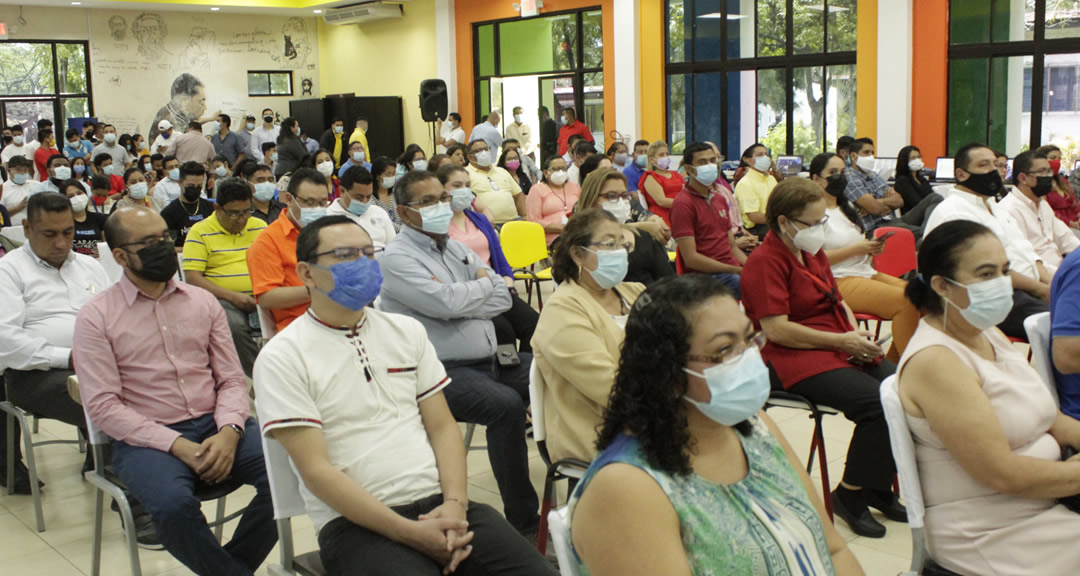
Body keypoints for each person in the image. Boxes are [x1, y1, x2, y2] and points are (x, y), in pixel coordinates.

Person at [253, 215, 557, 576]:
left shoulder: (405, 331)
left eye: (369, 253)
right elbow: (316, 471)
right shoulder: (283, 356)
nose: (363, 264)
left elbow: (444, 428)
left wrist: (456, 505)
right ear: (306, 273)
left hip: (441, 503)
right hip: (356, 524)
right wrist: (409, 533)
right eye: (346, 255)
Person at [569, 274, 865, 576]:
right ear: (668, 371)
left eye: (749, 339)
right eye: (725, 350)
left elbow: (832, 549)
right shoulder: (627, 488)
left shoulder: (754, 427)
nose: (749, 358)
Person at [73, 206, 277, 576]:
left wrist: (230, 431)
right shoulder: (95, 317)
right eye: (149, 242)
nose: (164, 247)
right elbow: (103, 407)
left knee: (290, 473)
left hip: (217, 423)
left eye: (166, 237)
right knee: (172, 506)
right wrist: (177, 445)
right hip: (147, 439)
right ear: (120, 256)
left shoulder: (202, 302)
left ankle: (230, 568)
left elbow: (231, 379)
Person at [898, 220, 1080, 576]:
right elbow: (1001, 474)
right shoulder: (936, 361)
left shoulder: (983, 332)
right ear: (941, 286)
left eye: (1004, 271)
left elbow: (1049, 417)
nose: (1000, 283)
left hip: (1041, 505)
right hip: (993, 530)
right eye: (985, 274)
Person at [379, 170, 542, 537]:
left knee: (556, 373)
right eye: (428, 201)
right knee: (505, 406)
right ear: (404, 213)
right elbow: (444, 303)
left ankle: (576, 472)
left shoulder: (456, 247)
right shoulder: (396, 258)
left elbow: (502, 295)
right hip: (441, 372)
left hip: (491, 359)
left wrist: (468, 295)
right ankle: (526, 524)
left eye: (442, 197)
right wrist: (476, 292)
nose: (441, 206)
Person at [741, 177, 903, 538]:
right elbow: (777, 330)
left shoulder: (810, 252)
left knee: (902, 392)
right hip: (787, 356)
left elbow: (836, 296)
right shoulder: (765, 261)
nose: (819, 230)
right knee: (876, 404)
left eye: (822, 222)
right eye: (813, 224)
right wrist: (841, 341)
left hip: (833, 340)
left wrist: (853, 333)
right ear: (783, 222)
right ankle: (849, 495)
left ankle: (876, 487)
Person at [0, 191, 108, 486]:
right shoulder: (8, 271)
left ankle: (111, 465)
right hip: (35, 374)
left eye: (67, 232)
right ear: (26, 229)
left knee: (154, 391)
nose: (61, 243)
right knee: (110, 405)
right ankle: (132, 500)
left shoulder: (90, 267)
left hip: (96, 364)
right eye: (49, 234)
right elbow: (5, 341)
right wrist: (69, 356)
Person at [532, 208, 646, 463]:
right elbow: (612, 388)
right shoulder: (563, 310)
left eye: (622, 244)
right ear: (577, 253)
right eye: (608, 244)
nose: (618, 251)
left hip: (648, 417)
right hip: (600, 437)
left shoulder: (635, 292)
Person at [925, 143, 1051, 340]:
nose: (993, 171)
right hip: (993, 295)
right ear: (961, 174)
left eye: (996, 164)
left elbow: (1025, 250)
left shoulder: (994, 206)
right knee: (1065, 326)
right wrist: (1041, 289)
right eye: (984, 165)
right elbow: (984, 272)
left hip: (1030, 287)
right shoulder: (955, 212)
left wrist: (1050, 282)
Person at [811, 152, 919, 363]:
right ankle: (909, 366)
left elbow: (855, 245)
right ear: (816, 179)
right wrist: (857, 249)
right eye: (832, 173)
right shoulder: (813, 212)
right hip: (835, 280)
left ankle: (895, 362)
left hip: (864, 272)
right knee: (906, 303)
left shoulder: (846, 207)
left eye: (842, 172)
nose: (839, 177)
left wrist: (870, 249)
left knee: (923, 297)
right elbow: (813, 259)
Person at [439, 164, 536, 351]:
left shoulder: (479, 220)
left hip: (498, 287)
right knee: (503, 331)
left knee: (535, 325)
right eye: (457, 186)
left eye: (467, 185)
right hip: (470, 293)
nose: (464, 191)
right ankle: (506, 374)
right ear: (441, 189)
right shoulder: (438, 226)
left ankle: (525, 371)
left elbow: (500, 258)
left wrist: (508, 282)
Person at [182, 178, 267, 377]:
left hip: (261, 295)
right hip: (222, 299)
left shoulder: (260, 226)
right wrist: (233, 296)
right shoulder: (200, 231)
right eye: (234, 213)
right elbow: (193, 277)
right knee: (233, 326)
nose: (241, 219)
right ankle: (258, 377)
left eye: (246, 211)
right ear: (217, 208)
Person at [248, 167, 330, 332]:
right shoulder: (268, 241)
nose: (317, 209)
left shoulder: (332, 232)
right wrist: (320, 289)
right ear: (288, 198)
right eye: (309, 202)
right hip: (300, 327)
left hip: (341, 317)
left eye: (322, 203)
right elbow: (267, 298)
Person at [671, 142, 747, 297]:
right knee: (749, 286)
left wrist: (750, 266)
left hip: (730, 269)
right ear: (688, 169)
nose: (710, 166)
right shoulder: (683, 204)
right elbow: (691, 259)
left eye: (713, 161)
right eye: (702, 162)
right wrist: (734, 269)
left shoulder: (719, 199)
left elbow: (731, 247)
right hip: (705, 276)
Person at [578, 169, 672, 285]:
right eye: (611, 196)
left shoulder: (643, 237)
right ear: (591, 199)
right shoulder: (579, 240)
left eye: (624, 195)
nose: (620, 202)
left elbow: (668, 284)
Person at [1000, 150, 1080, 274]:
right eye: (1042, 172)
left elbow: (1066, 238)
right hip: (1041, 277)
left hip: (1061, 268)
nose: (1049, 176)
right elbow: (1025, 260)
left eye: (1049, 171)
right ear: (1023, 178)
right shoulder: (1009, 209)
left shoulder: (1042, 204)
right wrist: (1063, 276)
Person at [844, 138, 938, 236]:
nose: (870, 156)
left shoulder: (873, 175)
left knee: (935, 198)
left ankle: (926, 233)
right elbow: (876, 209)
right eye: (866, 152)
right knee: (928, 234)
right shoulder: (850, 177)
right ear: (854, 156)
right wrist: (882, 203)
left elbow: (899, 201)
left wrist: (877, 201)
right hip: (876, 227)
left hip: (894, 221)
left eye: (872, 153)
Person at [326, 165, 397, 252]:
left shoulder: (379, 213)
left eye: (368, 196)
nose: (364, 202)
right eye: (359, 197)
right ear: (342, 191)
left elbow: (393, 248)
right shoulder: (328, 217)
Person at [465, 140, 525, 225]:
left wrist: (525, 216)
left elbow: (518, 196)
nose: (483, 153)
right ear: (469, 157)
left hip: (514, 222)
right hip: (485, 224)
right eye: (478, 151)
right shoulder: (465, 174)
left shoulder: (502, 171)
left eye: (486, 149)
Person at [526, 155, 579, 245]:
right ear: (546, 173)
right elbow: (534, 220)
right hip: (553, 238)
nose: (561, 172)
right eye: (556, 169)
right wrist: (561, 228)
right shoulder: (537, 189)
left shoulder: (574, 187)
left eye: (563, 168)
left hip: (576, 233)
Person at [161, 161, 215, 250]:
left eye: (199, 185)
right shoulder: (169, 213)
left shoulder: (211, 208)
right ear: (180, 182)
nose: (195, 189)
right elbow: (167, 248)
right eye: (190, 185)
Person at [732, 144, 777, 242]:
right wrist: (778, 220)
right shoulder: (746, 183)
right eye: (760, 155)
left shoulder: (771, 179)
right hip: (757, 229)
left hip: (772, 222)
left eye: (766, 154)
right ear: (748, 160)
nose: (765, 157)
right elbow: (753, 216)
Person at [639, 140, 684, 227]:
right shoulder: (650, 177)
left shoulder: (676, 174)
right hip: (663, 218)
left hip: (681, 213)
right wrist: (685, 204)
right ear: (652, 160)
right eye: (661, 155)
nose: (665, 157)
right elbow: (662, 201)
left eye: (667, 154)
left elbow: (686, 192)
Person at [1036, 144, 1080, 229]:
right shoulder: (1038, 183)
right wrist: (1071, 223)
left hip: (1075, 224)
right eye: (1053, 158)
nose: (1057, 161)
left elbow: (1075, 203)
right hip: (1057, 226)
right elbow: (1046, 210)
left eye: (1059, 159)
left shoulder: (1062, 180)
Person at [62, 179, 107, 258]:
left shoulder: (100, 218)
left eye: (79, 193)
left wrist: (102, 253)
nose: (77, 198)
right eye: (70, 196)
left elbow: (106, 246)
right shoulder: (62, 222)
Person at [893, 146, 938, 214]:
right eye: (913, 158)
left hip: (927, 212)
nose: (917, 160)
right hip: (914, 216)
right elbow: (916, 203)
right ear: (905, 161)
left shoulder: (921, 179)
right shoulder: (902, 181)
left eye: (919, 157)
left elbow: (933, 196)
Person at [370, 156, 401, 231]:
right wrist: (404, 231)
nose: (392, 177)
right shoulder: (370, 198)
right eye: (388, 174)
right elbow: (383, 223)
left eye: (394, 174)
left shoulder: (395, 194)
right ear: (377, 176)